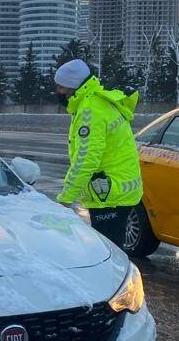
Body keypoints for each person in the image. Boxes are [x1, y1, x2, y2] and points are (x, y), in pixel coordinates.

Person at [54, 59, 143, 247]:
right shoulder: (97, 101)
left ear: (72, 86)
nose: (58, 92)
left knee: (109, 255)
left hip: (109, 193)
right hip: (118, 189)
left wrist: (66, 198)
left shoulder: (90, 111)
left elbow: (86, 159)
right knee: (113, 250)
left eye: (61, 87)